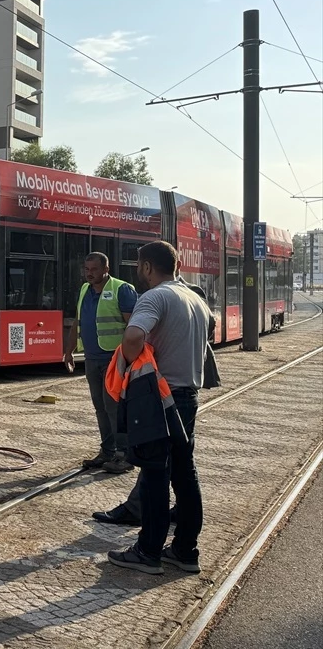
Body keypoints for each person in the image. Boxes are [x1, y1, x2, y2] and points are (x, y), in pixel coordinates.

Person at [100, 240, 210, 575]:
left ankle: (148, 552)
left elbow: (133, 336)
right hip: (188, 395)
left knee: (154, 472)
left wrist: (134, 364)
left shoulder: (155, 296)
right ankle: (185, 550)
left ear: (147, 266)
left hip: (159, 396)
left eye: (139, 266)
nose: (138, 272)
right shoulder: (195, 298)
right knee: (184, 474)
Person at [64, 252, 137, 474]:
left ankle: (124, 454)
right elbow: (78, 322)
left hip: (115, 359)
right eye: (86, 269)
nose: (89, 273)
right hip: (92, 359)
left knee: (113, 406)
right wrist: (69, 352)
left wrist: (131, 359)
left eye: (94, 269)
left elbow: (134, 325)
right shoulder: (85, 290)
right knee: (100, 407)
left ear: (106, 269)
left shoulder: (122, 289)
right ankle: (107, 450)